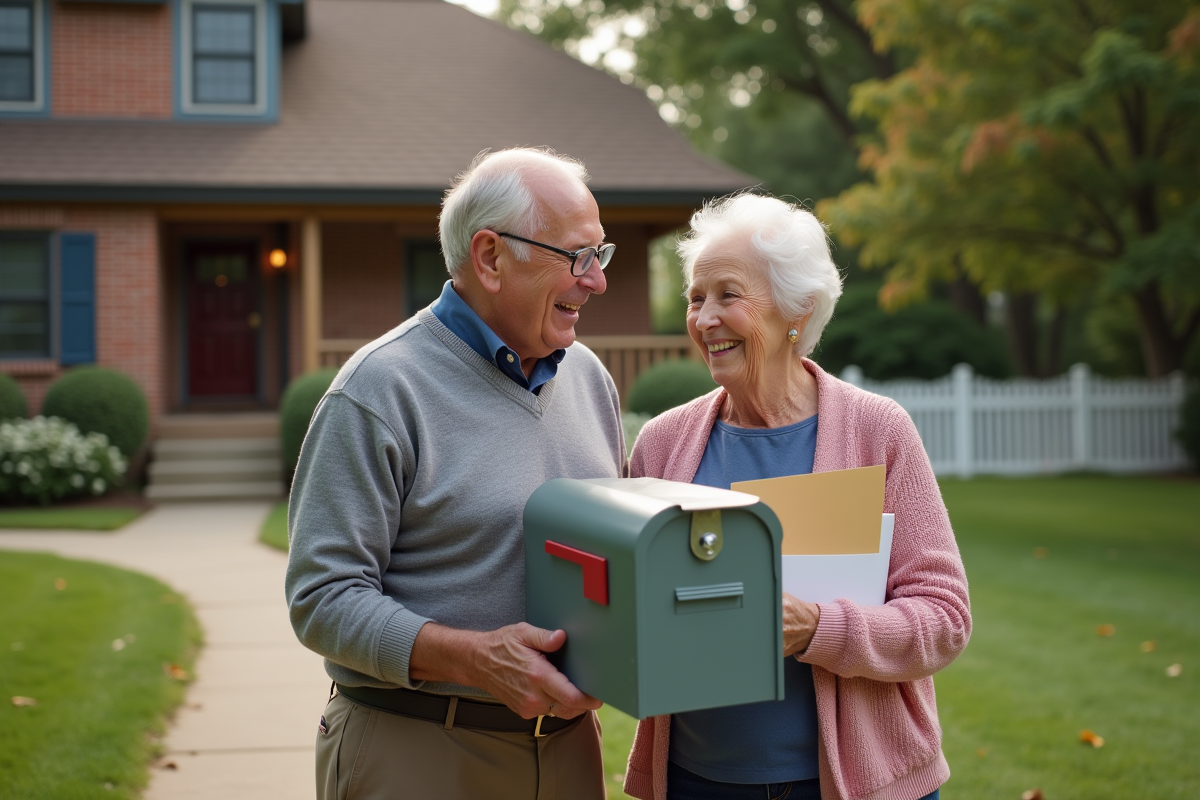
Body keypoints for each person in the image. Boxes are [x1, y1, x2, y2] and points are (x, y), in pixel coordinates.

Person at [285, 147, 625, 800]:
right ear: (491, 257)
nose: (596, 281)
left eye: (600, 255)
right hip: (417, 747)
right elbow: (321, 598)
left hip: (569, 753)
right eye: (578, 256)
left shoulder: (591, 379)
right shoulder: (379, 388)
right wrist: (474, 659)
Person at [622, 193, 971, 800]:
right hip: (700, 781)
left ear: (797, 310)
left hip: (857, 783)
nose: (705, 319)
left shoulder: (877, 431)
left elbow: (944, 618)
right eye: (696, 298)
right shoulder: (663, 443)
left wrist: (818, 629)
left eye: (728, 295)